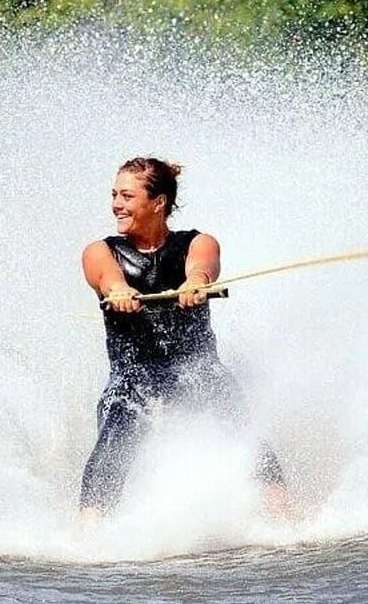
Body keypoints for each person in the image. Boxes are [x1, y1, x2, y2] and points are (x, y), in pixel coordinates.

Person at [79, 157, 288, 519]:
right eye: (114, 195)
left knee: (244, 434)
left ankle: (285, 521)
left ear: (157, 202)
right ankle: (89, 536)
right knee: (112, 443)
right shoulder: (101, 251)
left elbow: (203, 266)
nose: (116, 204)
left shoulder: (197, 243)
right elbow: (107, 277)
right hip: (134, 378)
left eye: (127, 196)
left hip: (198, 371)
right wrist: (118, 291)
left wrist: (196, 284)